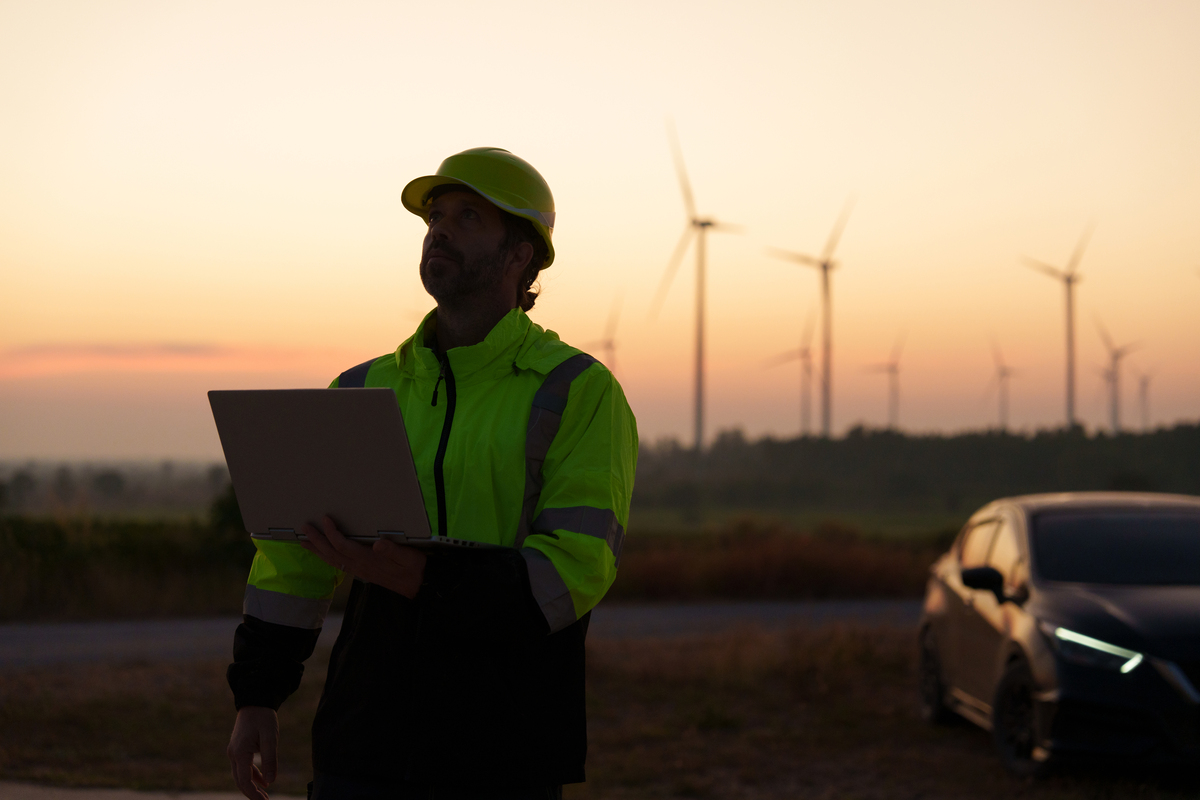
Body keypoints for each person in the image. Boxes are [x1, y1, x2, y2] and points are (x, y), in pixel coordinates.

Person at [224, 147, 638, 800]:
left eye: (468, 217)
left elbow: (575, 571)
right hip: (362, 746)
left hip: (503, 753)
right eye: (434, 216)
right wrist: (256, 696)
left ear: (520, 255)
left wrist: (420, 578)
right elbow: (292, 561)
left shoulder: (577, 392)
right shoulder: (358, 388)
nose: (440, 229)